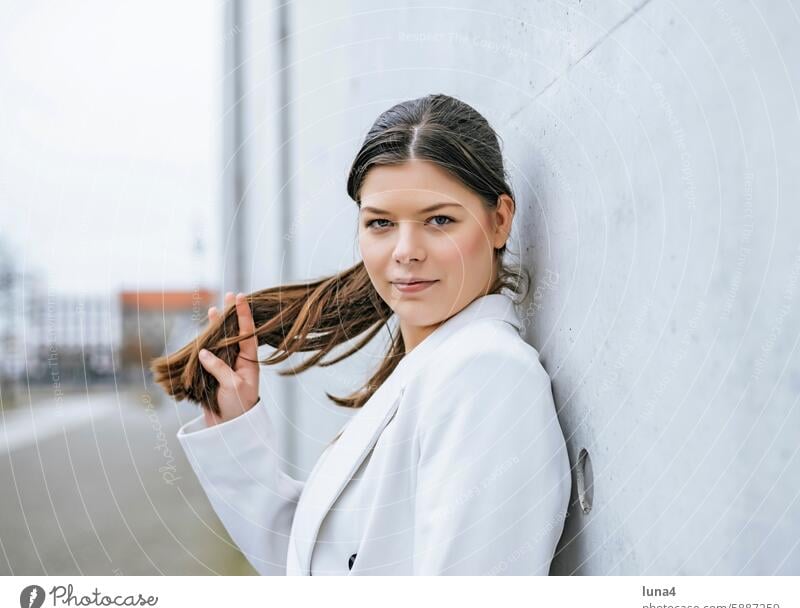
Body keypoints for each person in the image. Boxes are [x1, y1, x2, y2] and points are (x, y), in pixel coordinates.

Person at [151, 93, 572, 575]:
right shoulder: (429, 372)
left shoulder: (486, 375)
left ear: (499, 221)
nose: (406, 251)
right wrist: (236, 429)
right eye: (381, 224)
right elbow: (315, 567)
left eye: (440, 220)